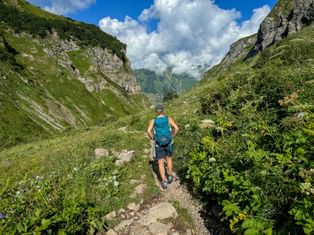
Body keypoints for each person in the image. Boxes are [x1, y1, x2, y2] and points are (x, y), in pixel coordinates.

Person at [147, 104, 179, 189]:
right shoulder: (168, 118)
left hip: (159, 144)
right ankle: (170, 176)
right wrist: (172, 136)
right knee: (169, 159)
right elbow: (176, 128)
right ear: (163, 110)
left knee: (160, 162)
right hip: (169, 142)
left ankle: (164, 181)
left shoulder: (153, 120)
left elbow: (148, 131)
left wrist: (153, 138)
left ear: (156, 111)